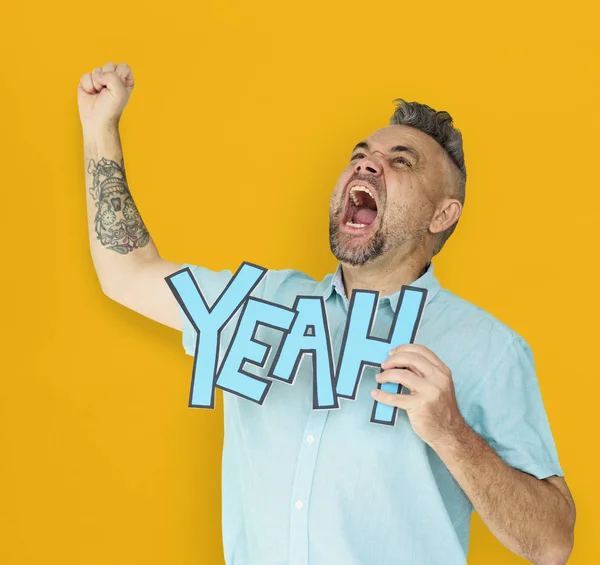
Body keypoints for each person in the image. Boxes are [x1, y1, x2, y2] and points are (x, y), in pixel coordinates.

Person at [78, 61, 576, 565]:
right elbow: (127, 273)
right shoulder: (260, 304)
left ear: (441, 214)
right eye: (360, 156)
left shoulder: (487, 348)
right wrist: (100, 128)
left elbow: (553, 544)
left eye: (401, 162)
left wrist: (452, 432)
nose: (366, 165)